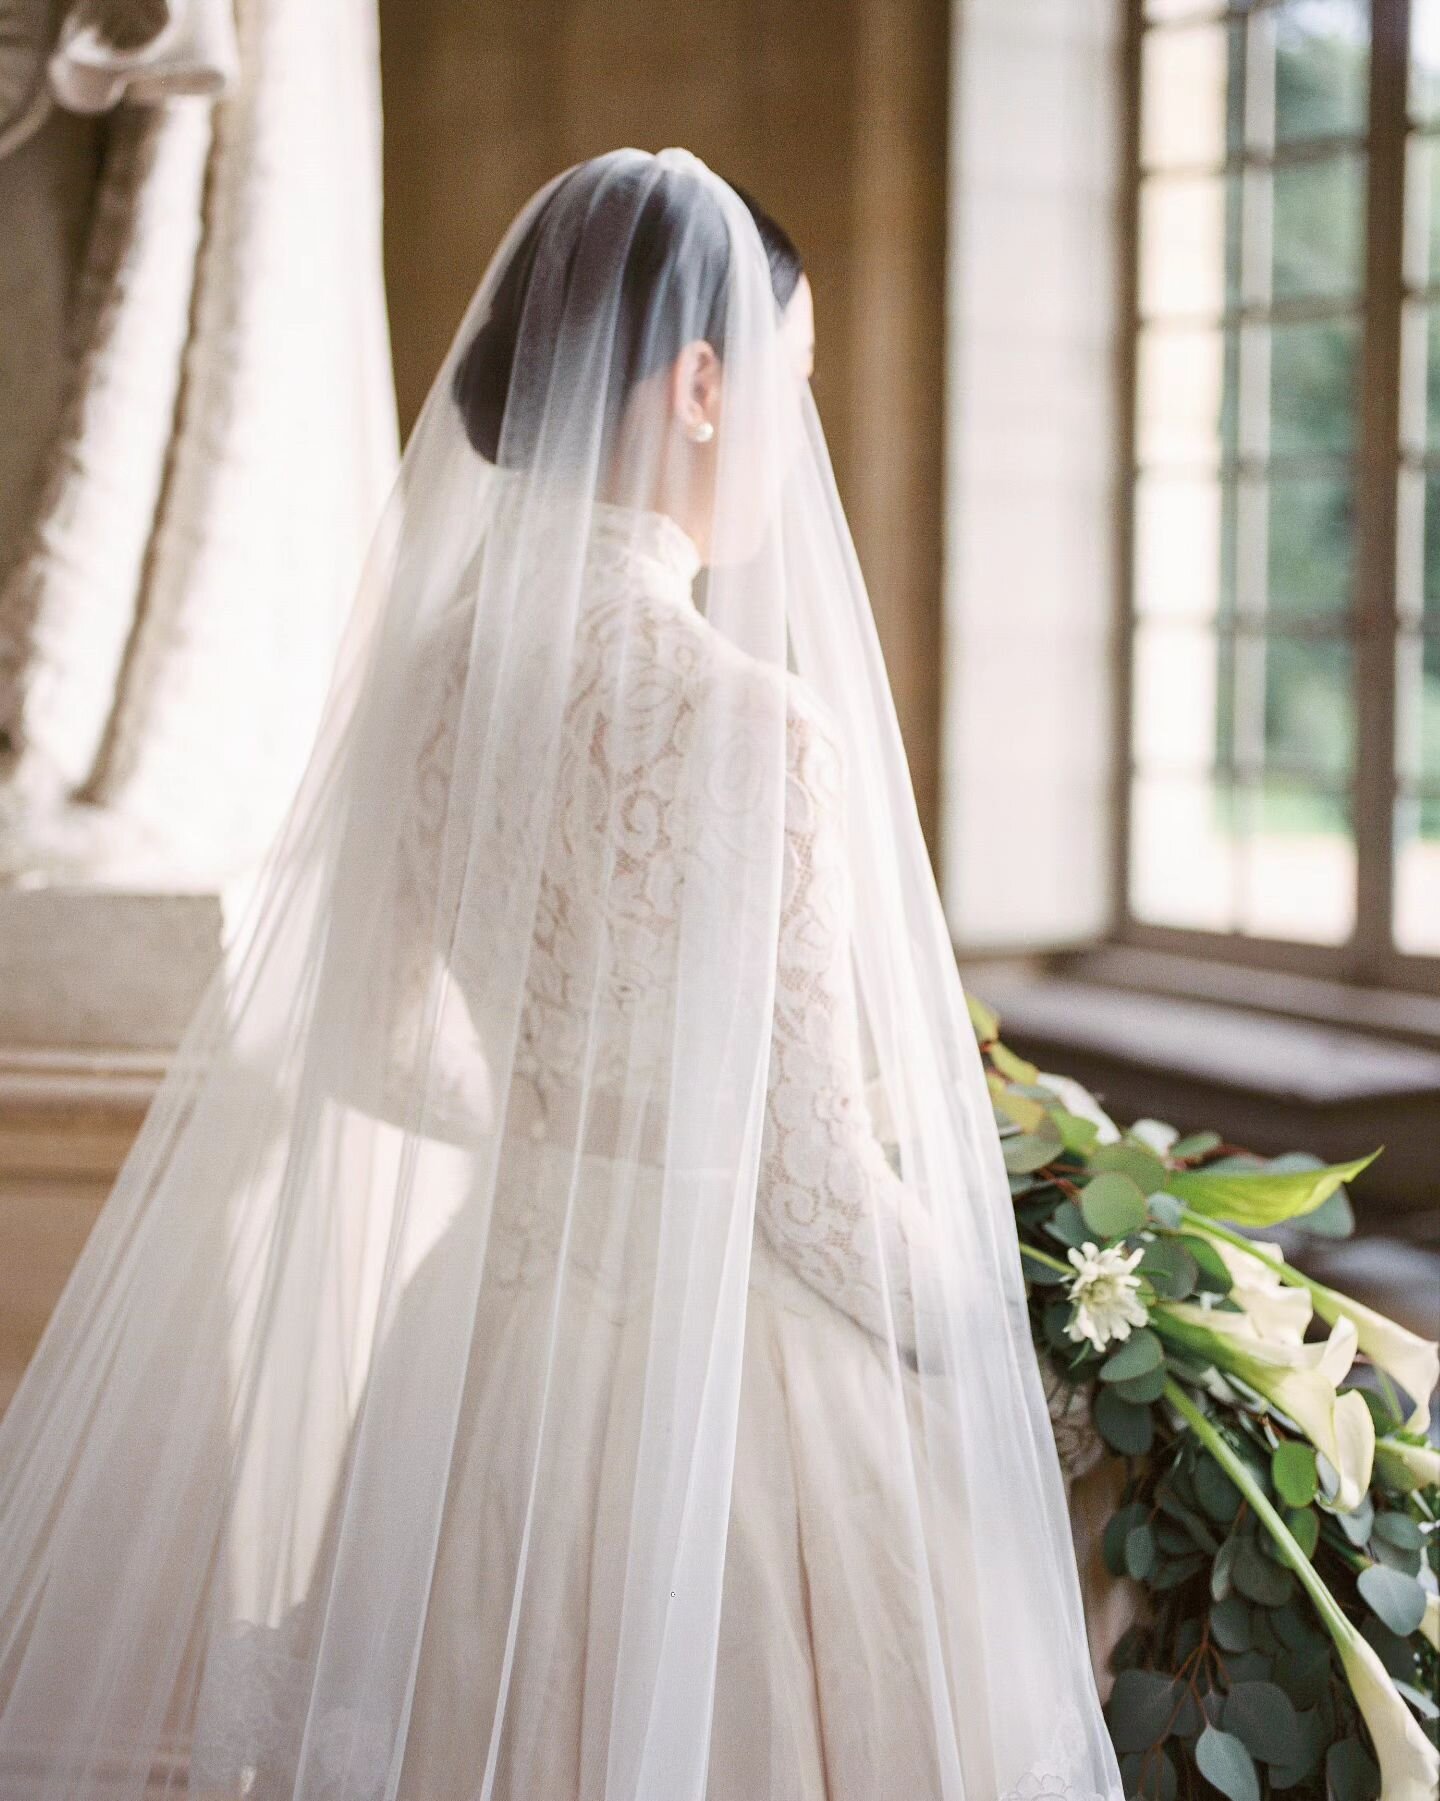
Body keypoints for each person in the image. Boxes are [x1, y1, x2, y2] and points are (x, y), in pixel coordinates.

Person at [0, 147, 1123, 1801]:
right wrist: (1012, 1328)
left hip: (489, 1360)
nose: (792, 445)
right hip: (732, 1407)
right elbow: (809, 1179)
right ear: (695, 384)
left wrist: (567, 1127)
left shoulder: (433, 688)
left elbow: (367, 1044)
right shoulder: (760, 727)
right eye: (789, 389)